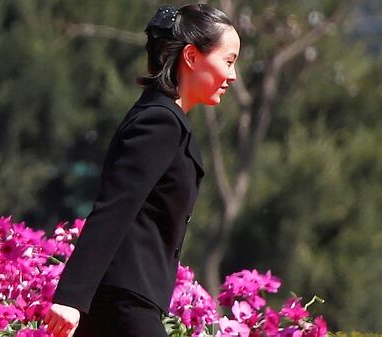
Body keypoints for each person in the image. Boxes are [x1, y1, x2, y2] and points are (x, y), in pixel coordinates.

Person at [44, 3, 240, 337]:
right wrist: (71, 298)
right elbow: (115, 207)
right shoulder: (159, 121)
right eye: (229, 61)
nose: (233, 76)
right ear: (191, 57)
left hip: (130, 302)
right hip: (123, 304)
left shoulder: (166, 120)